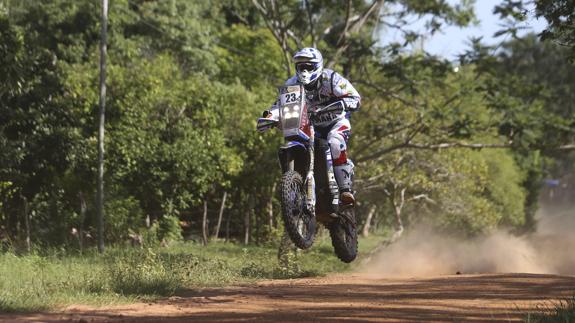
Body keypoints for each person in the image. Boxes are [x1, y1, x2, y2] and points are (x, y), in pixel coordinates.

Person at [262, 47, 361, 205]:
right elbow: (277, 105)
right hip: (310, 126)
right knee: (297, 145)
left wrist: (343, 103)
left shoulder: (331, 78)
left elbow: (355, 97)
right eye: (301, 67)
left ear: (317, 66)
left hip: (335, 122)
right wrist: (266, 117)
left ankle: (344, 190)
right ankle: (296, 191)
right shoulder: (292, 83)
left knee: (335, 142)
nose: (304, 70)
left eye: (308, 66)